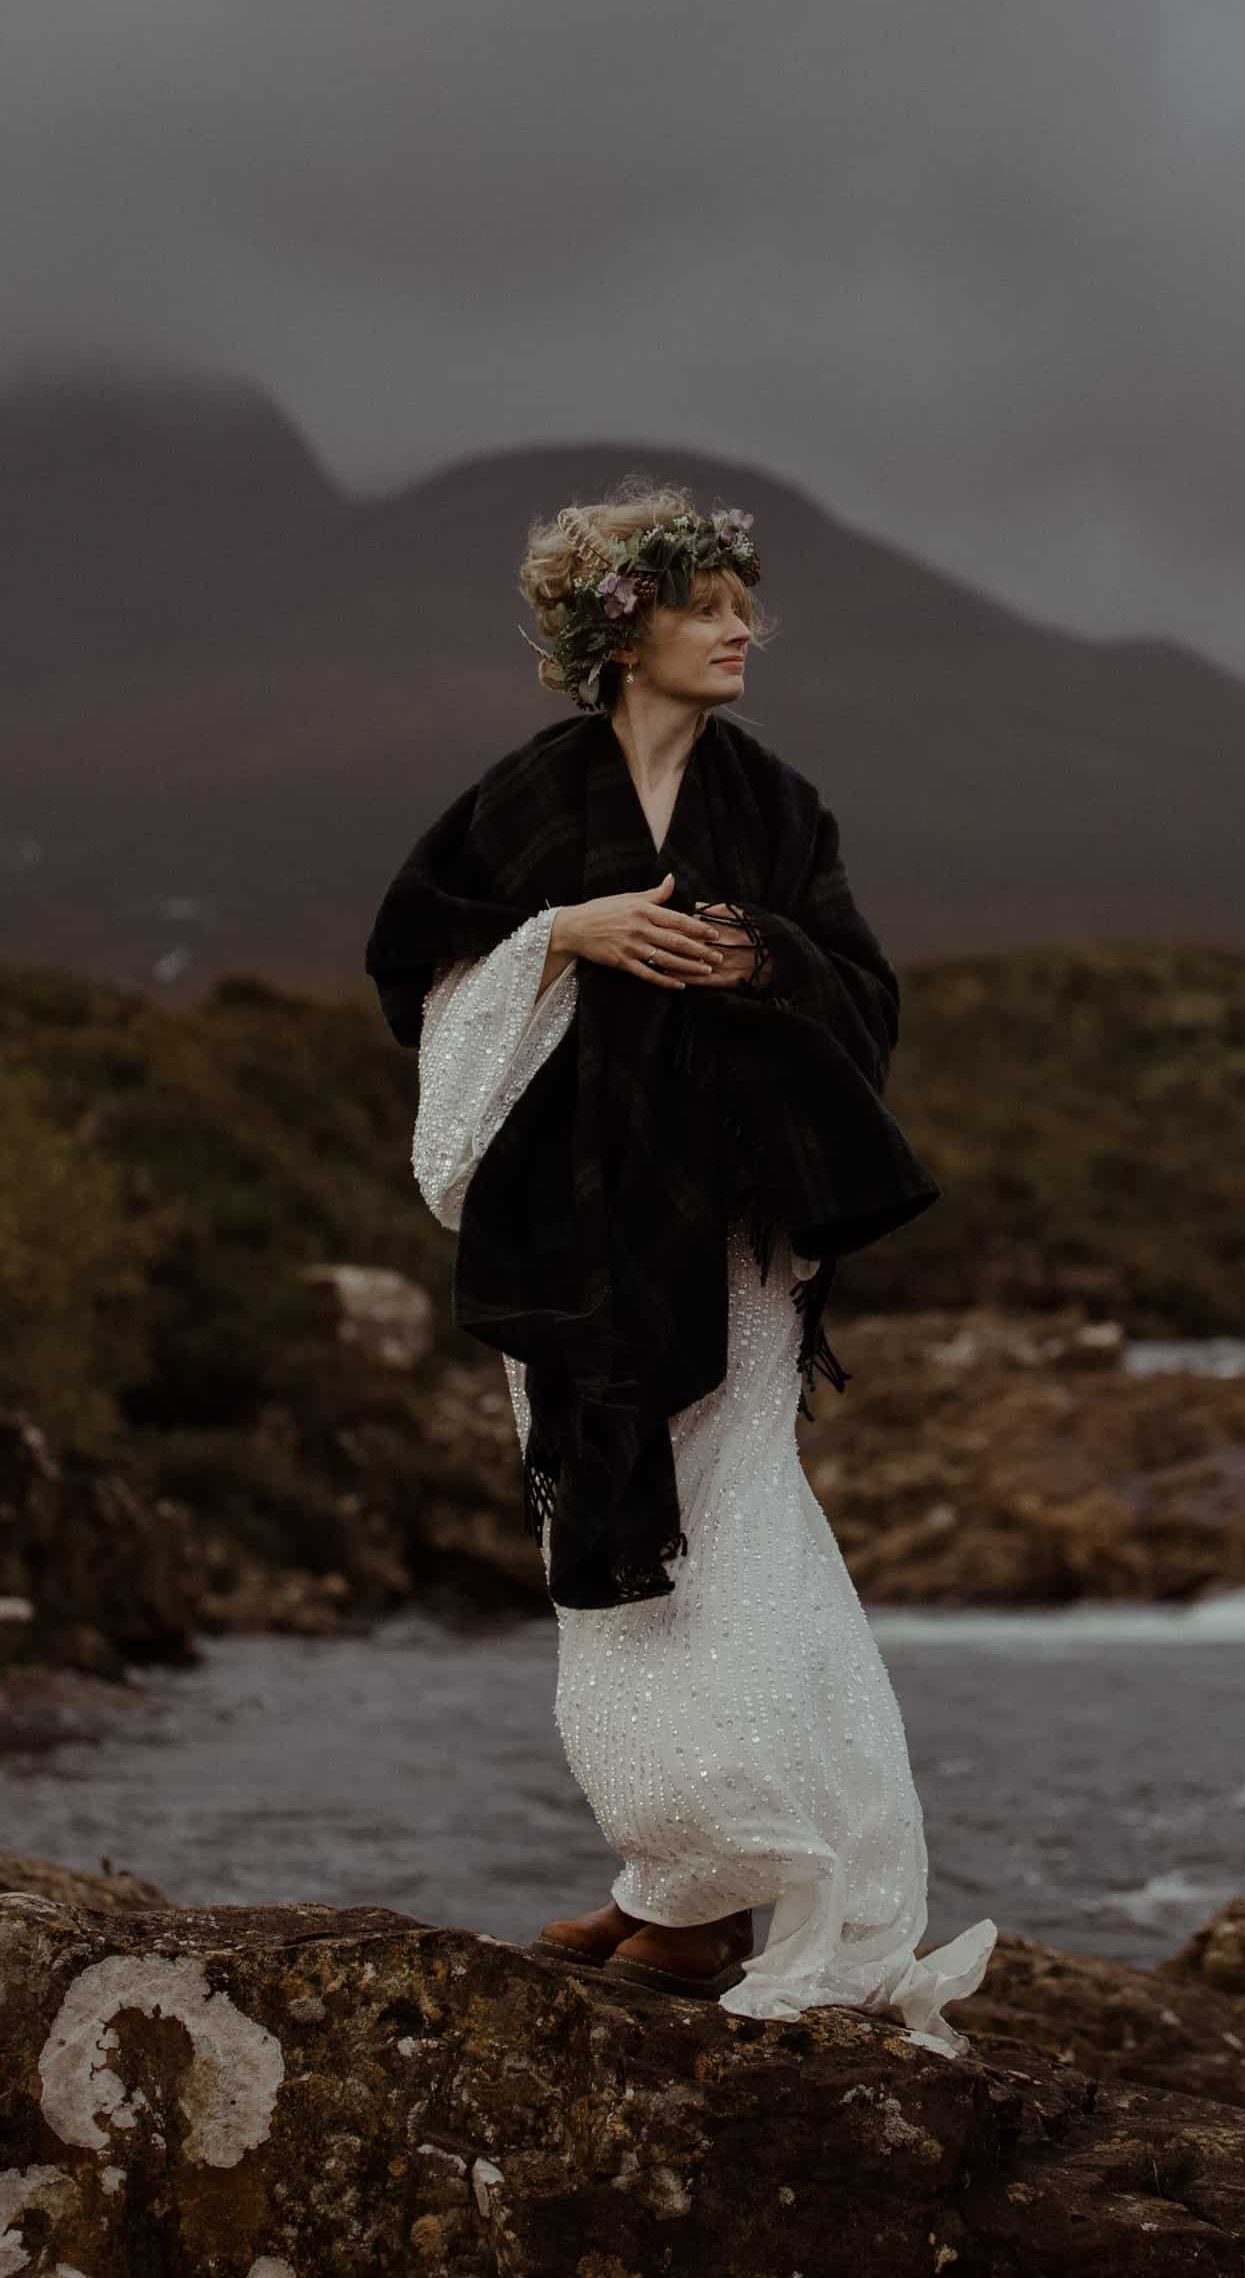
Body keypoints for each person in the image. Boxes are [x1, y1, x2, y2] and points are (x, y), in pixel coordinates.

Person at [364, 477, 996, 2057]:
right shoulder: (523, 799)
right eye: (708, 609)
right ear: (623, 626)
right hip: (571, 1236)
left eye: (741, 608)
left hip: (731, 1236)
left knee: (739, 1530)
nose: (739, 634)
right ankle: (678, 1878)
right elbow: (416, 957)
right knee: (613, 1538)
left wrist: (766, 961)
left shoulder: (774, 807)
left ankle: (730, 1877)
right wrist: (557, 937)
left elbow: (860, 985)